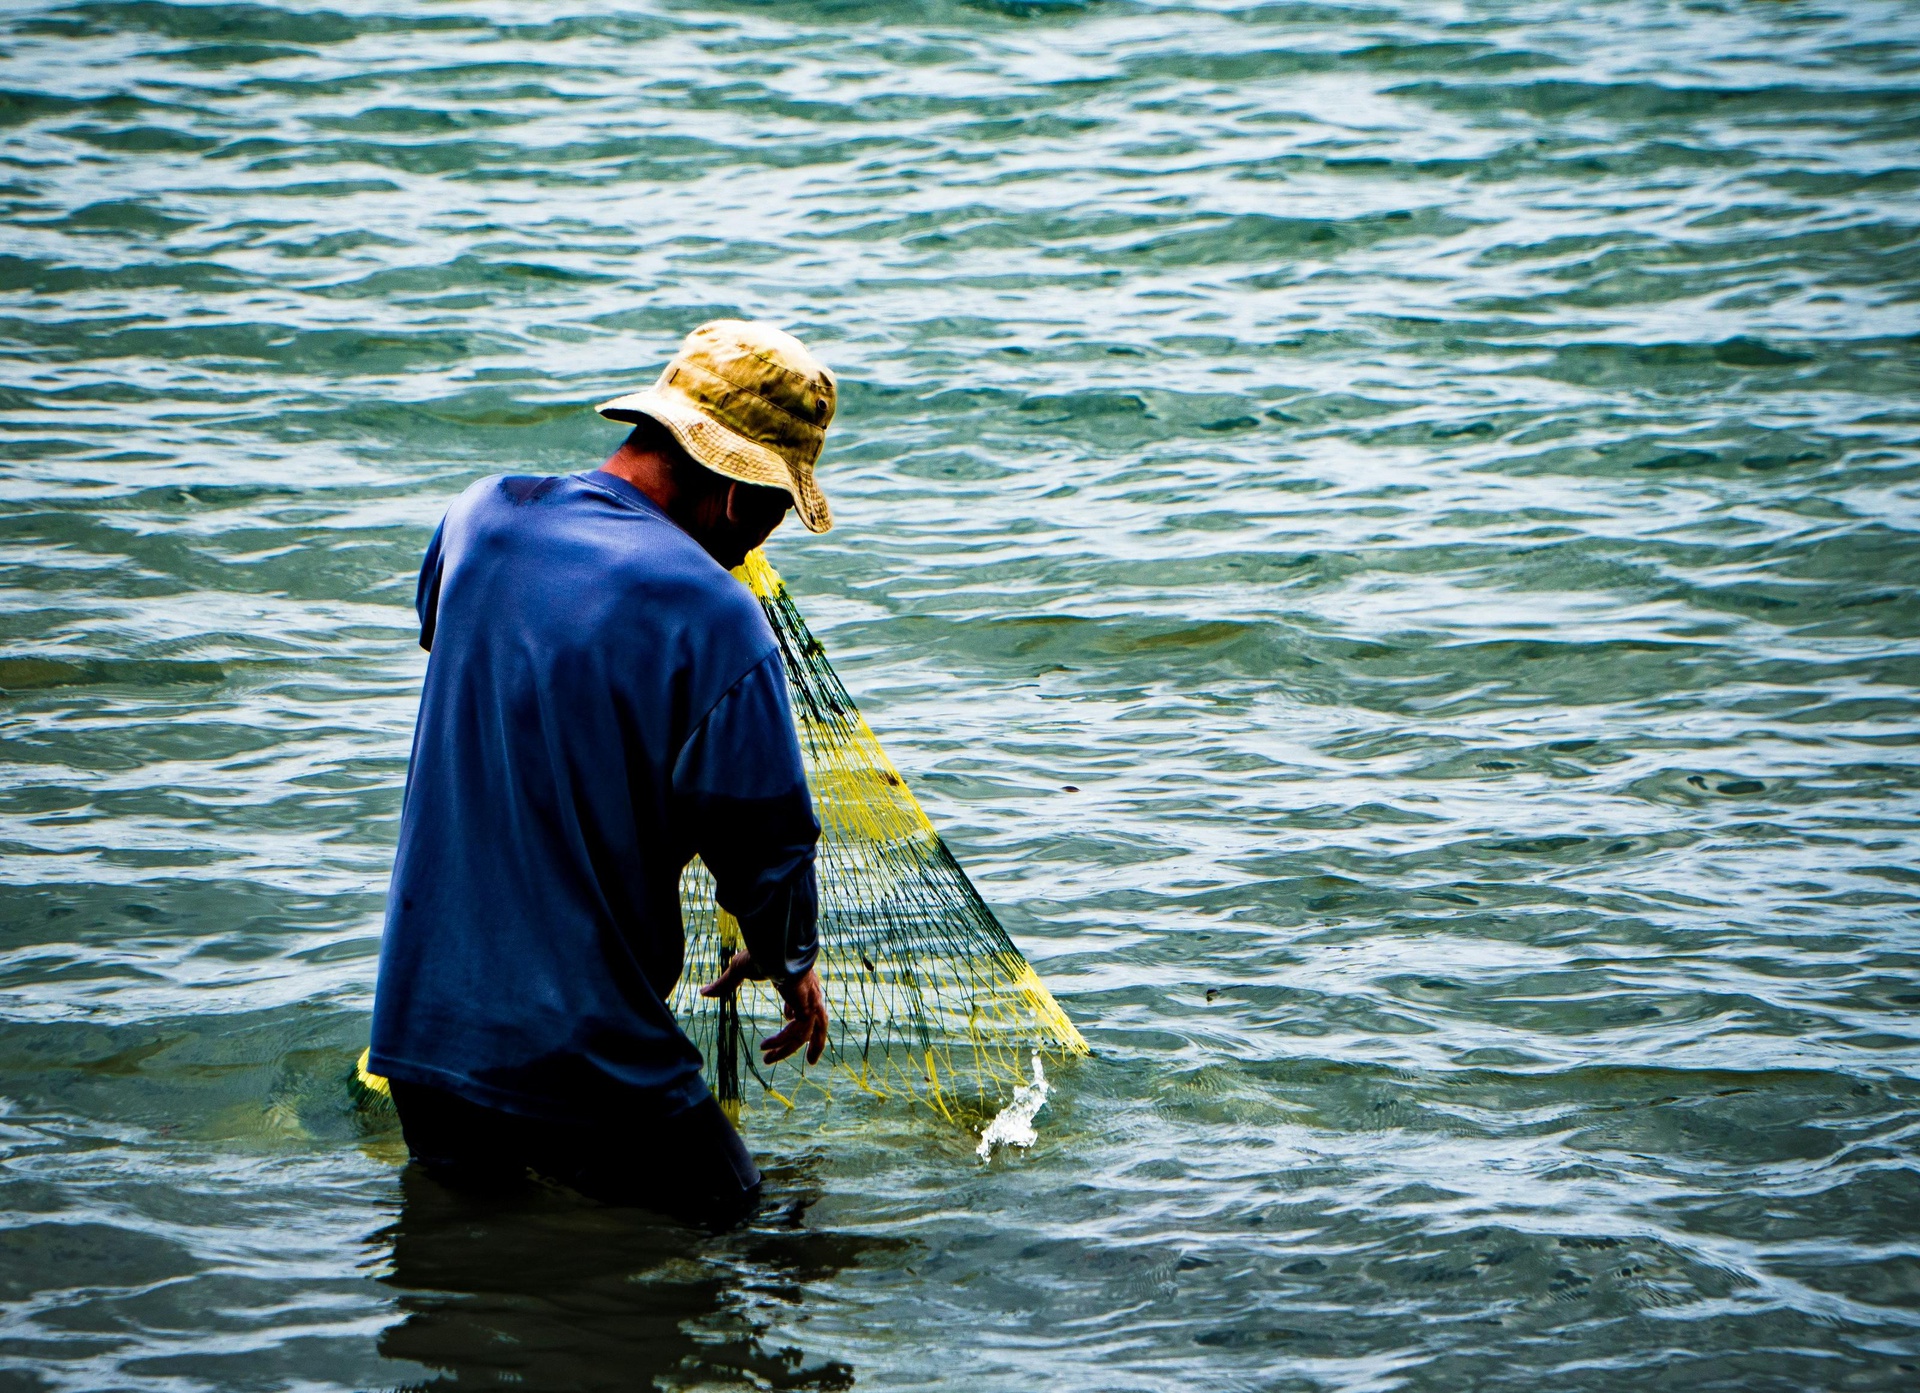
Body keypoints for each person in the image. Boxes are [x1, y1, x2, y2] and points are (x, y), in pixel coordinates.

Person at [368, 319, 838, 1230]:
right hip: (585, 1054)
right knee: (748, 1233)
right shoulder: (717, 614)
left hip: (424, 1042)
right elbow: (767, 839)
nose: (767, 537)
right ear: (736, 496)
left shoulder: (478, 517)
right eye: (779, 505)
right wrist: (788, 959)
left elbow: (472, 649)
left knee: (477, 1265)